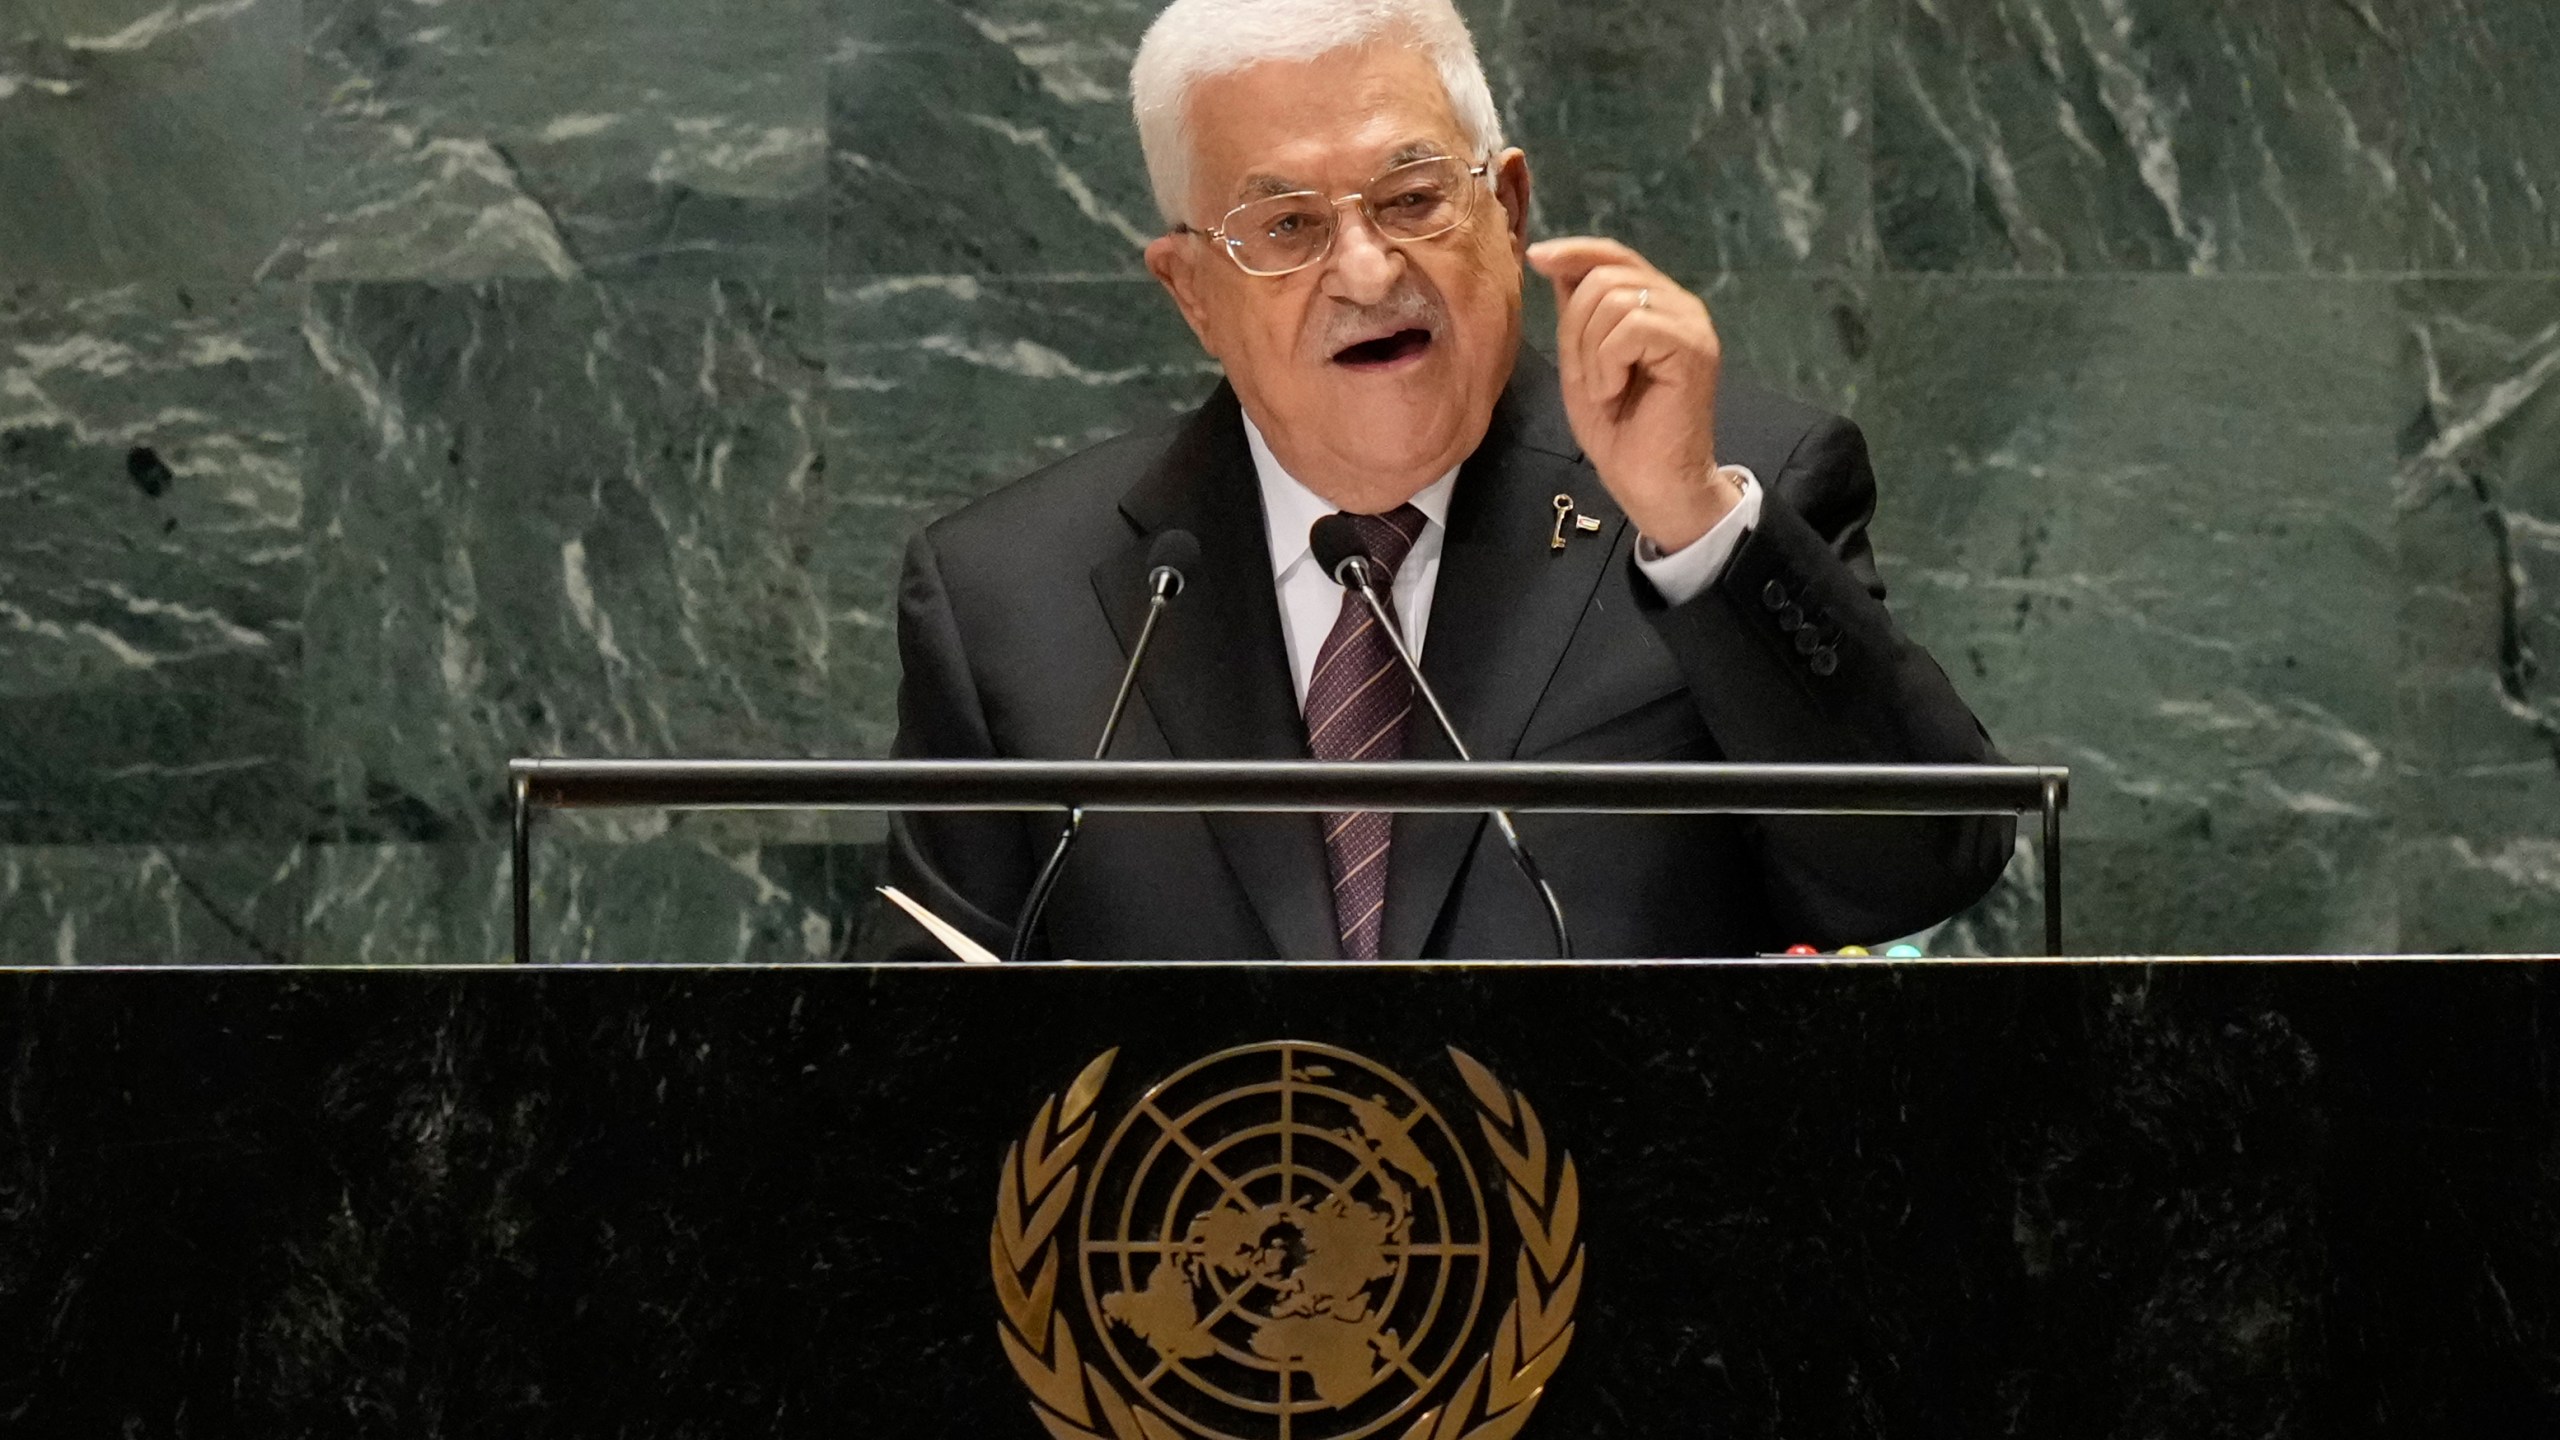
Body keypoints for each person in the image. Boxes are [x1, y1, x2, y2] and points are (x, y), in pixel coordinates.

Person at [871, 0, 2011, 961]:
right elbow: (904, 1067)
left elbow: (1918, 866)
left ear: (1506, 210)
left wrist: (1696, 530)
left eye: (1414, 199)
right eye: (1286, 226)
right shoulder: (1010, 599)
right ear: (1191, 293)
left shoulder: (1721, 495)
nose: (1366, 270)